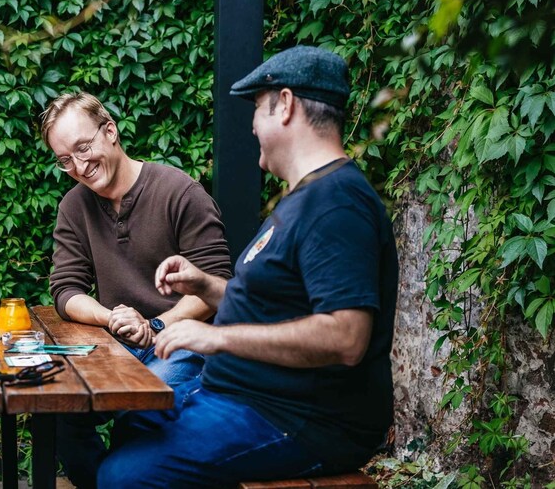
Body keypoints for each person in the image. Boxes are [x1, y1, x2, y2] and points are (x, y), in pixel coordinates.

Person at [97, 46, 399, 488]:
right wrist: (203, 286)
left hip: (301, 418)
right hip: (242, 395)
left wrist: (216, 337)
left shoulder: (336, 204)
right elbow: (273, 302)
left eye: (258, 108)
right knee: (131, 423)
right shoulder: (303, 198)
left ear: (287, 105)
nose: (253, 125)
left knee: (124, 477)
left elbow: (345, 336)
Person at [40, 92, 232, 488]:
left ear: (110, 131)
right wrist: (111, 316)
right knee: (60, 407)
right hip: (118, 340)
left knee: (138, 409)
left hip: (183, 340)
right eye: (65, 160)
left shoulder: (180, 192)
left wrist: (157, 325)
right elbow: (65, 289)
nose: (78, 166)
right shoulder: (74, 207)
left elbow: (219, 285)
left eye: (83, 148)